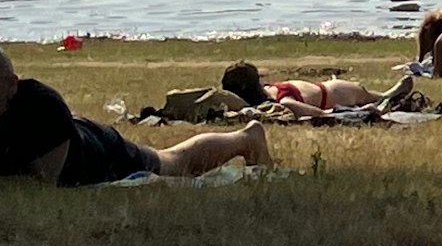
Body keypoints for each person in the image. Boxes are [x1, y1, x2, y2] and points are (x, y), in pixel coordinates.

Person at [1, 47, 269, 185]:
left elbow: (43, 182)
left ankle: (246, 138)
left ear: (12, 84)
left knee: (173, 164)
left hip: (101, 152)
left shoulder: (40, 106)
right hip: (82, 137)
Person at [218, 62, 414, 118]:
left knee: (380, 98)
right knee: (376, 97)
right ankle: (392, 93)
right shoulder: (270, 93)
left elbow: (320, 113)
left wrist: (354, 113)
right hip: (332, 89)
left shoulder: (284, 103)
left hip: (336, 93)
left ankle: (392, 94)